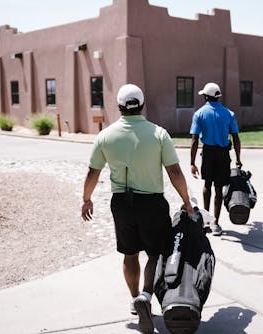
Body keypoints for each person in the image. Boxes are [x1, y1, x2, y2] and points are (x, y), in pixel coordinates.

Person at [81, 83, 194, 334]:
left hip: (121, 203)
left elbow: (93, 172)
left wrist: (86, 198)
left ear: (119, 106)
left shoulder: (105, 136)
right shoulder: (159, 133)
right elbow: (174, 172)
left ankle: (135, 301)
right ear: (142, 105)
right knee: (155, 254)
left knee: (129, 254)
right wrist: (187, 202)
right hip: (152, 203)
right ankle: (145, 295)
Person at [190, 82, 242, 236]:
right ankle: (216, 224)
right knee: (219, 188)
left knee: (207, 185)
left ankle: (205, 223)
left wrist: (192, 163)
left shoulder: (199, 113)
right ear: (218, 97)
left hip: (208, 153)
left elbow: (194, 141)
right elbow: (236, 138)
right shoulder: (229, 114)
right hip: (223, 154)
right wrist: (238, 158)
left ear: (206, 96)